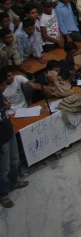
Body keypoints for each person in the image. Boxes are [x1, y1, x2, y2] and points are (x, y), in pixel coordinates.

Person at [0, 73, 28, 208]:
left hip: (9, 132)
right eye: (2, 85)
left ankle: (15, 182)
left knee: (14, 160)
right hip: (1, 140)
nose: (5, 86)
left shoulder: (1, 95)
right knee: (3, 168)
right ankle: (4, 194)